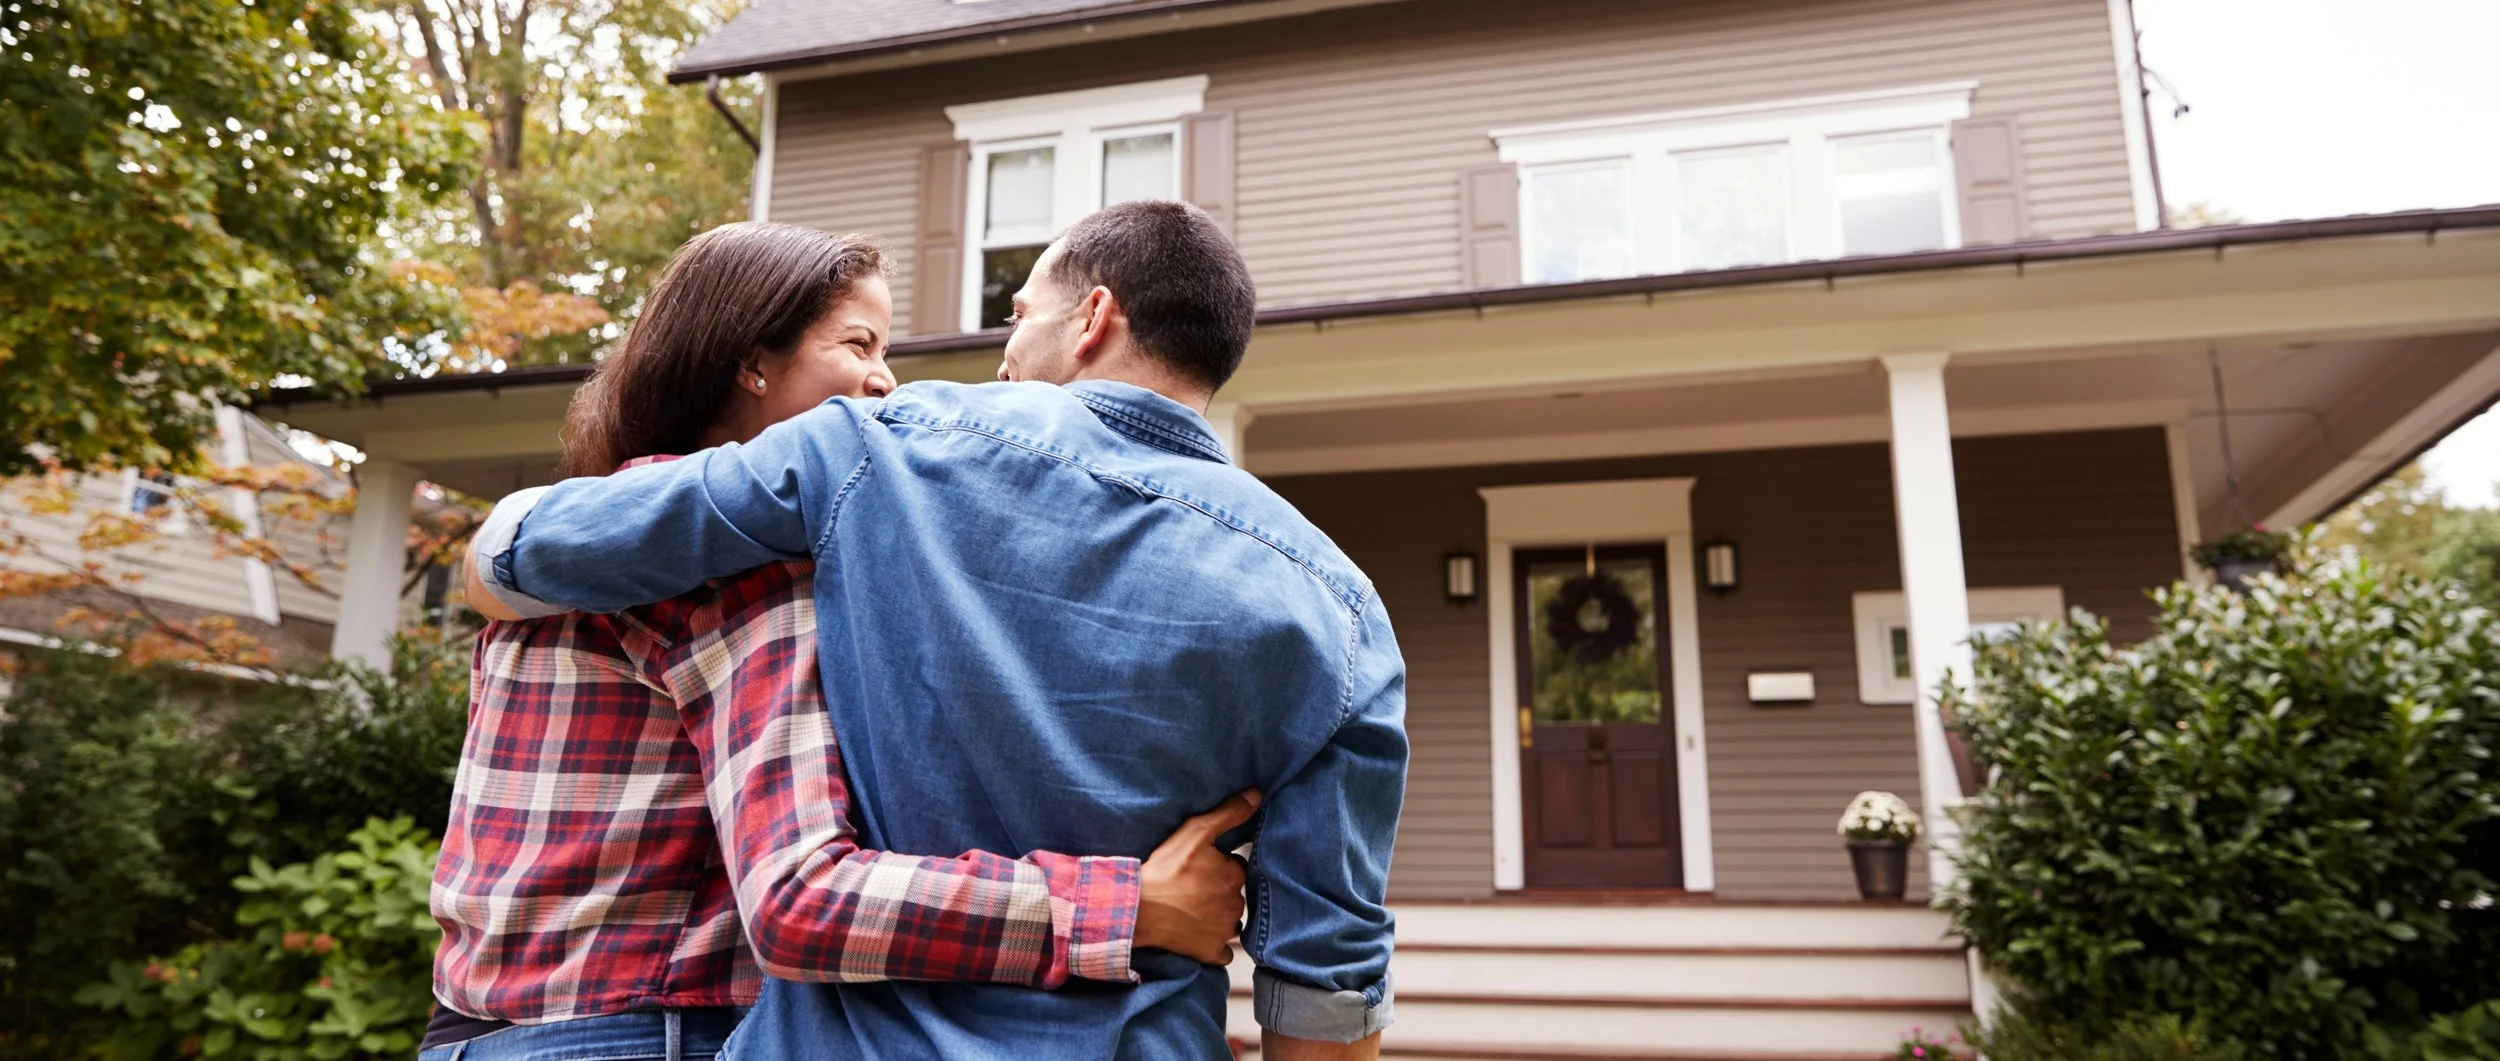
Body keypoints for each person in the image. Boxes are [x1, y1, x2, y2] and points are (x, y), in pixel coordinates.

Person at [467, 200, 1406, 1060]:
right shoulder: (1342, 610)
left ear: (1092, 319)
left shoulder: (875, 447)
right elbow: (1326, 978)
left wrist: (492, 556)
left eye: (1019, 315)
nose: (1002, 354)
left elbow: (541, 546)